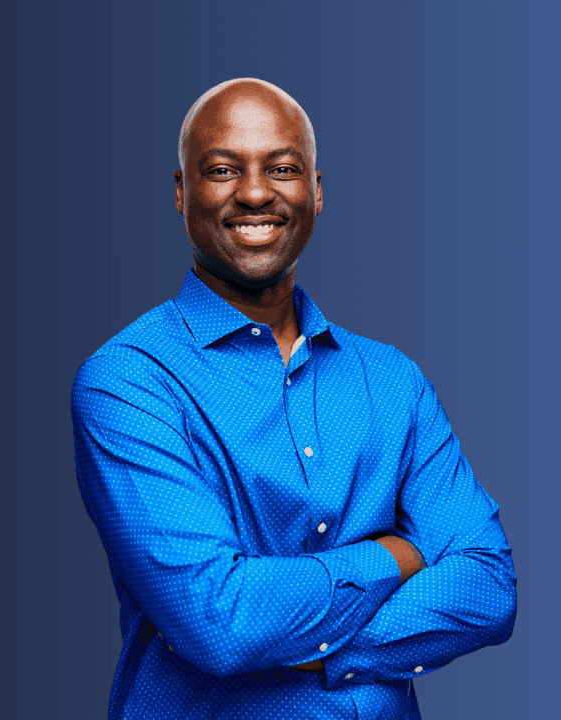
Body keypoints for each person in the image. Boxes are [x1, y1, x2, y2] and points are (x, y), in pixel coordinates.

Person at [70, 78, 516, 719]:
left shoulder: (393, 381)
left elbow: (488, 586)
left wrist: (320, 647)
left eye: (282, 168)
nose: (255, 193)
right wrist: (396, 554)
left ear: (316, 191)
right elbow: (220, 621)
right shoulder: (129, 381)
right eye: (222, 170)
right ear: (181, 193)